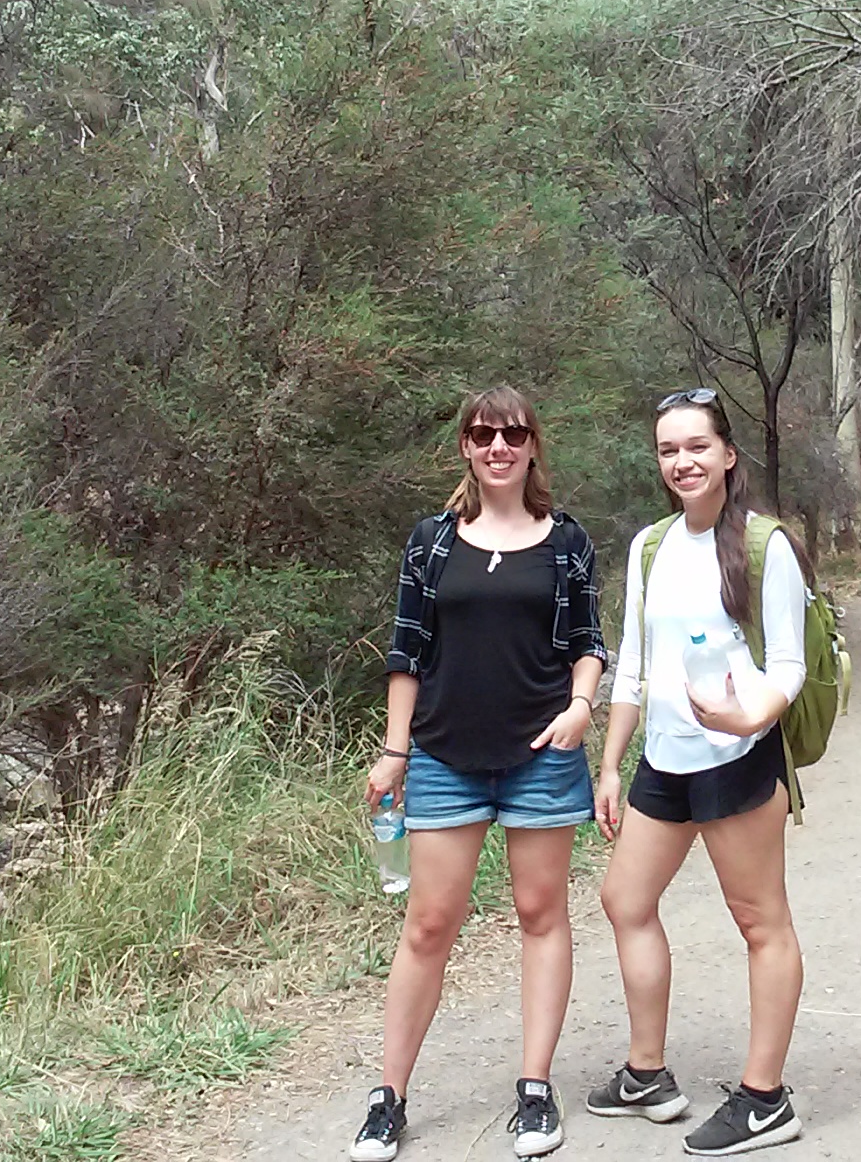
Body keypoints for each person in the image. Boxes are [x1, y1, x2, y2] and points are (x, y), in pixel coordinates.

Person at [350, 386, 608, 1162]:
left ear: (534, 445)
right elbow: (406, 653)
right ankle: (388, 1096)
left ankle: (534, 1090)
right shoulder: (432, 541)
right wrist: (394, 752)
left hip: (542, 759)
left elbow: (589, 640)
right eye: (483, 434)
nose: (499, 446)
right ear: (465, 445)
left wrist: (583, 706)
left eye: (513, 433)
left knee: (541, 915)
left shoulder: (567, 541)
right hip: (442, 757)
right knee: (428, 925)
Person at [586, 389, 808, 1157]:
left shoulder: (765, 544)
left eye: (696, 447)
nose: (682, 461)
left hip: (738, 761)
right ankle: (647, 1074)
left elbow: (790, 664)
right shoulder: (651, 546)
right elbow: (635, 667)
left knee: (760, 922)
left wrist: (752, 720)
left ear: (728, 456)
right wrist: (611, 765)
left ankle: (764, 1098)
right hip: (665, 763)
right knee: (625, 898)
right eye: (668, 450)